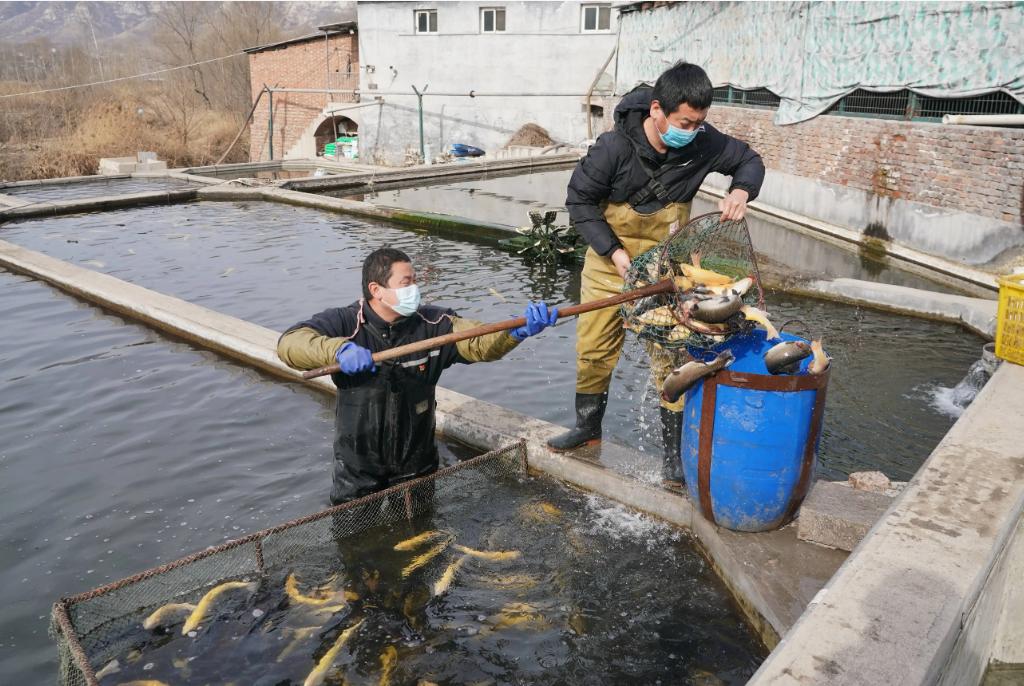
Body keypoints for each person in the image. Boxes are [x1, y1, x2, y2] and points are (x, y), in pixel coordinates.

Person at [548, 61, 765, 487]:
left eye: (700, 122)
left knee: (672, 361)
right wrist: (613, 253)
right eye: (686, 121)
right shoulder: (612, 148)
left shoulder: (703, 143)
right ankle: (587, 428)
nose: (693, 129)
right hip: (611, 266)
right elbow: (579, 203)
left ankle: (672, 458)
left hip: (669, 272)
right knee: (593, 350)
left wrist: (740, 189)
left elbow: (749, 161)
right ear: (657, 111)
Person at [278, 247, 557, 504]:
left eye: (415, 280)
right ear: (376, 289)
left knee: (422, 541)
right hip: (358, 468)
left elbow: (478, 342)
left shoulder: (434, 324)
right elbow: (289, 344)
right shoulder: (345, 322)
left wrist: (515, 332)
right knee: (357, 547)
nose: (415, 288)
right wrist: (337, 350)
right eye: (406, 282)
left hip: (417, 466)